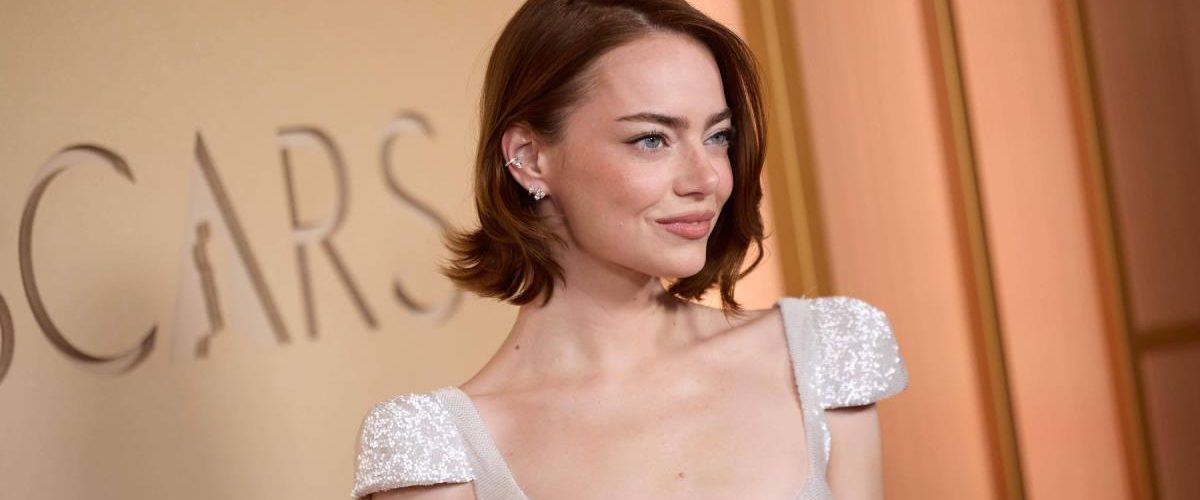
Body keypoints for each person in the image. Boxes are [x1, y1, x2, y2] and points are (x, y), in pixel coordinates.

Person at [351, 0, 908, 498]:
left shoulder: (820, 355)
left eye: (717, 136)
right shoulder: (444, 453)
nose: (707, 178)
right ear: (529, 157)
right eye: (651, 139)